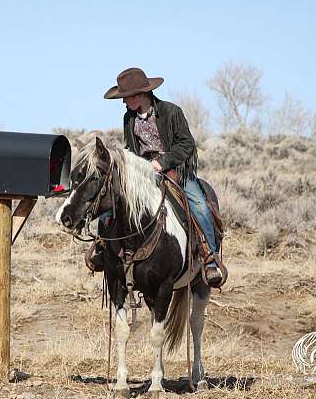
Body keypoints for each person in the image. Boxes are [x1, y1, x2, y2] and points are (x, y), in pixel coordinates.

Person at [92, 67, 225, 288]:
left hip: (175, 171)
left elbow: (186, 144)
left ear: (137, 96)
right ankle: (103, 247)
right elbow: (131, 148)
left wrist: (161, 162)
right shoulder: (129, 117)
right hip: (142, 173)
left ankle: (209, 256)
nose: (123, 102)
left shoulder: (171, 111)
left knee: (199, 206)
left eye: (125, 98)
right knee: (111, 199)